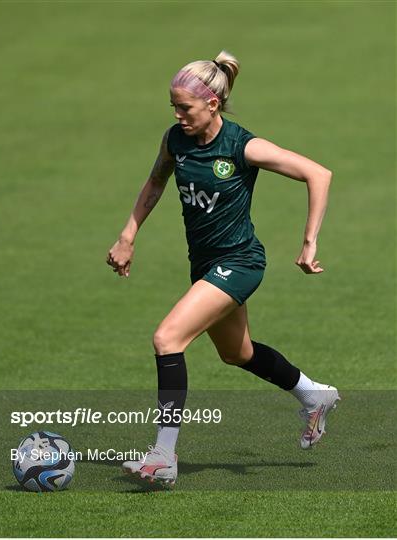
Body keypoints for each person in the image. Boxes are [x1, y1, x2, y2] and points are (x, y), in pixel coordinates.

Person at [106, 51, 340, 487]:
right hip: (205, 265)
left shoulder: (240, 146)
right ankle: (315, 394)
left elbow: (318, 173)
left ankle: (163, 455)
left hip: (240, 263)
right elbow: (156, 181)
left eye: (185, 108)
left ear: (212, 104)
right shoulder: (175, 140)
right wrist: (128, 235)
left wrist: (309, 242)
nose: (178, 116)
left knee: (167, 338)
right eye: (174, 107)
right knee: (237, 353)